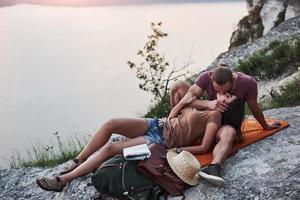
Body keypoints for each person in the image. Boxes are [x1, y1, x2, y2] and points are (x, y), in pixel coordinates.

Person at [36, 92, 224, 192]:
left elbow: (205, 147)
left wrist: (175, 149)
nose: (225, 96)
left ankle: (63, 180)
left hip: (160, 140)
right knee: (111, 124)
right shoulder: (205, 103)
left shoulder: (214, 116)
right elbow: (172, 116)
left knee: (110, 148)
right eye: (225, 94)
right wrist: (183, 103)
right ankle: (77, 160)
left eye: (230, 96)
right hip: (156, 123)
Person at [170, 65, 280, 186]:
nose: (221, 93)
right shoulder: (206, 77)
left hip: (225, 124)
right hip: (207, 116)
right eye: (218, 90)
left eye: (226, 91)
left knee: (230, 133)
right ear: (211, 79)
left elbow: (254, 106)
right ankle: (174, 125)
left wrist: (265, 125)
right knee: (178, 86)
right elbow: (187, 99)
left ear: (233, 79)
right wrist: (208, 103)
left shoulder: (247, 83)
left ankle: (214, 168)